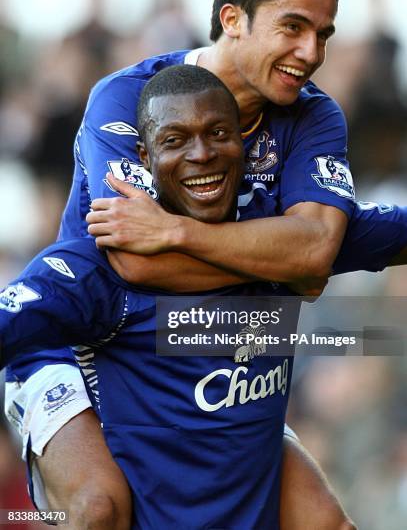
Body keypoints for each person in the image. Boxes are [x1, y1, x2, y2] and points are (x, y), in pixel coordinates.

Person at [4, 0, 406, 529]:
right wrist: (279, 257)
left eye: (323, 34)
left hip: (205, 344)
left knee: (327, 523)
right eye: (292, 26)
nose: (310, 51)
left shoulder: (314, 113)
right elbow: (136, 264)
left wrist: (175, 233)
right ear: (232, 19)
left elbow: (316, 249)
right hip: (90, 340)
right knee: (98, 508)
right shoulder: (129, 96)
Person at [1, 65, 305, 529]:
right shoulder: (108, 251)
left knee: (327, 521)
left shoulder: (282, 232)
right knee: (98, 509)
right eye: (176, 140)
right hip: (55, 352)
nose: (201, 154)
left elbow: (345, 245)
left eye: (218, 133)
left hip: (183, 379)